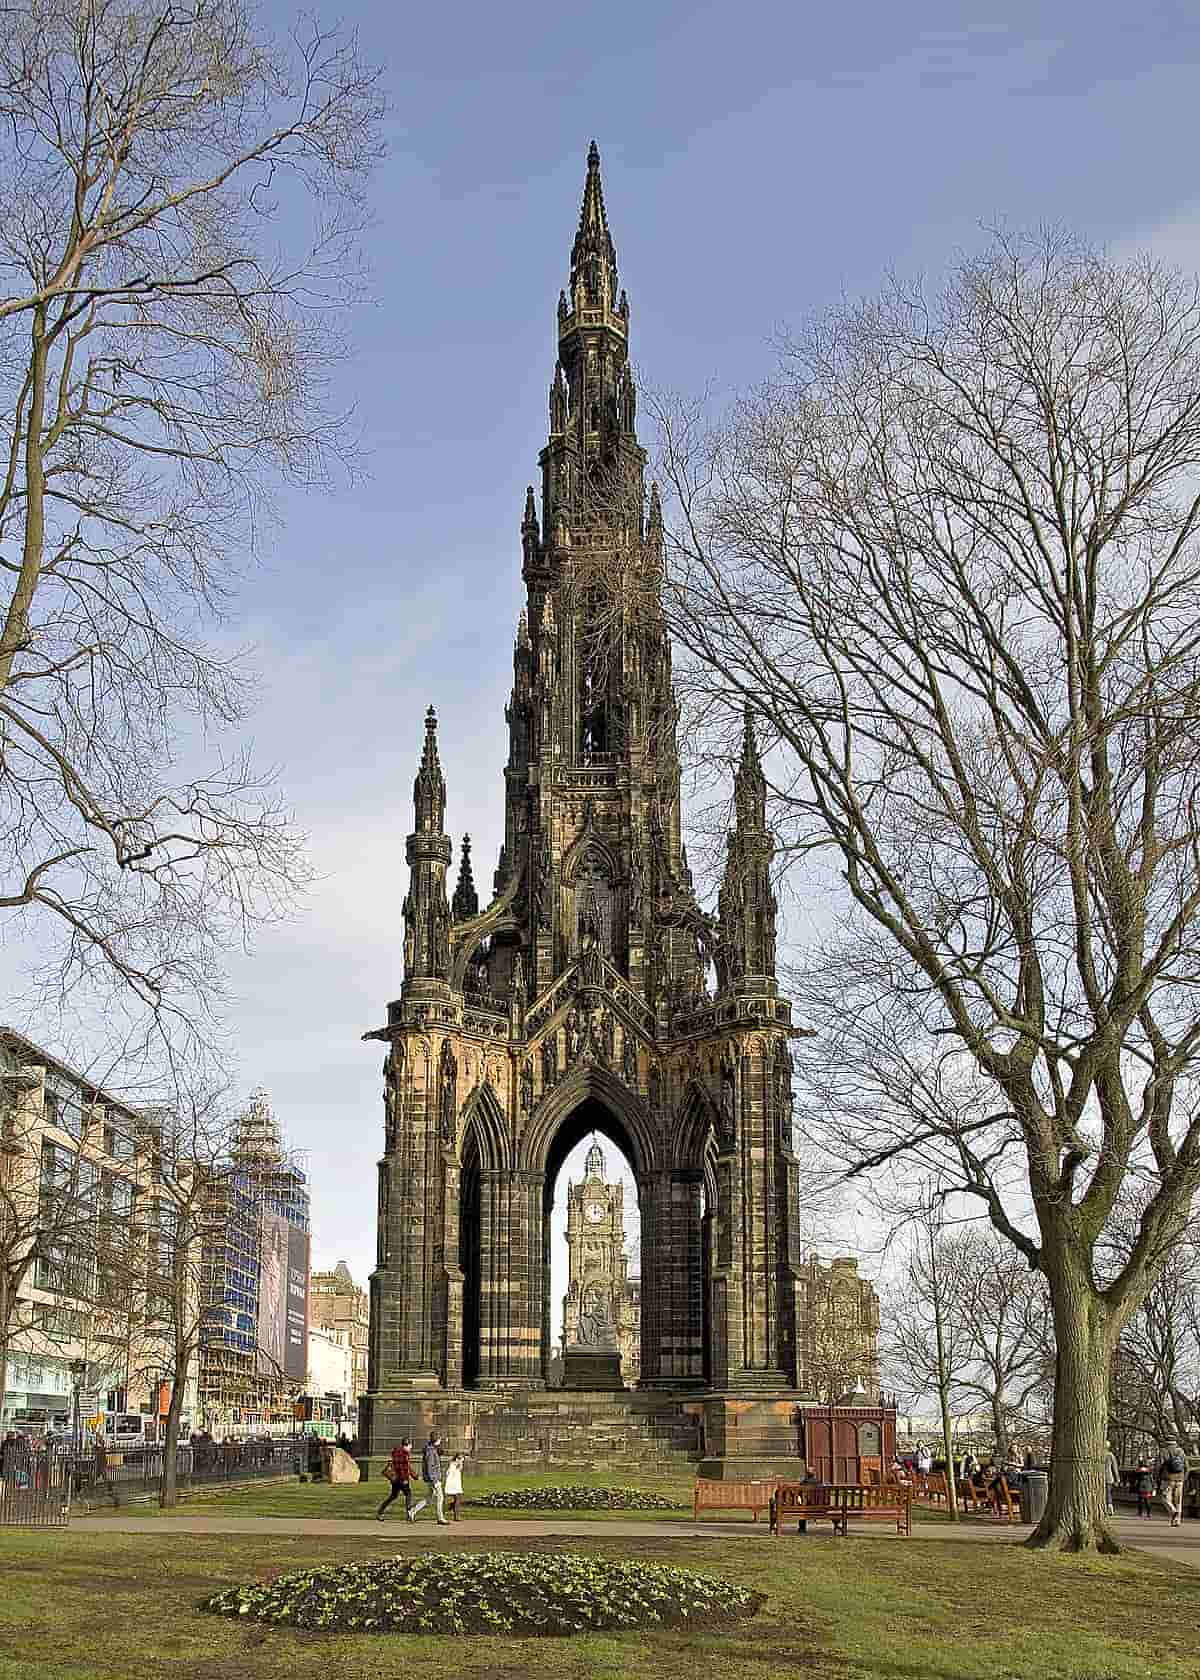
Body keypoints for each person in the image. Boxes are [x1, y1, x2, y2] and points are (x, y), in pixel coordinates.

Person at [410, 1432, 448, 1524]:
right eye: (439, 1439)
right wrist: (434, 1479)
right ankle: (440, 1517)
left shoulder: (432, 1449)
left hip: (432, 1478)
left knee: (428, 1499)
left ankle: (412, 1511)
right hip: (433, 1478)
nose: (441, 1441)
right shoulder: (431, 1451)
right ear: (437, 1440)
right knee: (440, 1497)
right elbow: (430, 1466)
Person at [376, 1437, 413, 1522]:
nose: (411, 1448)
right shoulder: (403, 1454)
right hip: (401, 1479)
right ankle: (409, 1514)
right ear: (407, 1445)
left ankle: (380, 1512)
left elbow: (406, 1467)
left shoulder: (399, 1452)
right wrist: (404, 1479)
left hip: (396, 1479)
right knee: (408, 1494)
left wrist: (413, 1475)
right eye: (410, 1446)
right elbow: (401, 1468)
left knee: (393, 1496)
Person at [1157, 1437, 1188, 1528]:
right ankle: (1177, 1521)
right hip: (1180, 1479)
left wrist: (1157, 1477)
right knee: (1178, 1500)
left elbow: (1158, 1466)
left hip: (1167, 1479)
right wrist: (1184, 1477)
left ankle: (1173, 1511)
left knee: (1165, 1498)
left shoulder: (1163, 1451)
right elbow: (1186, 1466)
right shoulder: (1181, 1451)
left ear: (1166, 1442)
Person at [444, 1451, 464, 1519]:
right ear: (457, 1459)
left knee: (457, 1500)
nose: (461, 1461)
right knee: (458, 1499)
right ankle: (455, 1515)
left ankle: (450, 1510)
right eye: (460, 1459)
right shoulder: (452, 1465)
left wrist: (460, 1464)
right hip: (453, 1485)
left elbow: (459, 1468)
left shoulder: (457, 1465)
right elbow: (448, 1474)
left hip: (457, 1485)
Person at [1104, 1442, 1120, 1517]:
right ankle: (1109, 1507)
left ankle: (1105, 1508)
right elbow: (1115, 1468)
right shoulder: (1110, 1455)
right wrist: (1117, 1479)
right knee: (1108, 1493)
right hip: (1109, 1477)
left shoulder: (1099, 1454)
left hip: (1100, 1477)